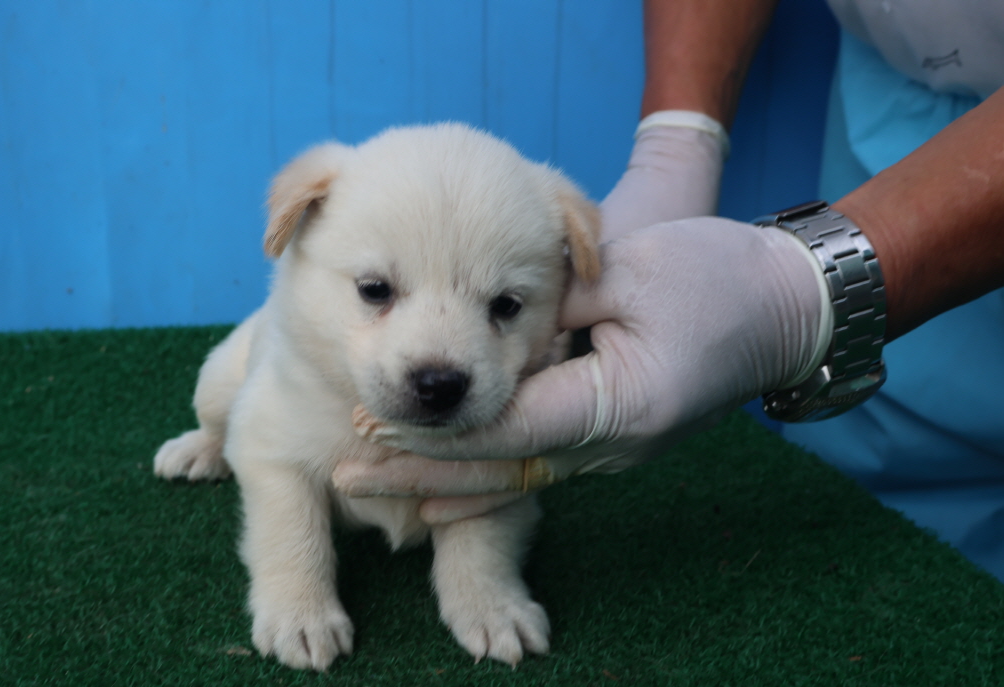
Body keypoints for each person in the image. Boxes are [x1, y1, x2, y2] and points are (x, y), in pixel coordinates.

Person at [332, 1, 1004, 577]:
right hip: (897, 100)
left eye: (504, 306)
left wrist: (796, 294)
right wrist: (680, 137)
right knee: (882, 527)